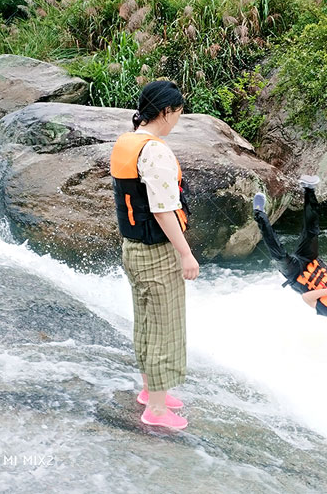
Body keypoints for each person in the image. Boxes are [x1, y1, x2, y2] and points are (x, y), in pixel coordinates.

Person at [110, 80, 199, 431]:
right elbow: (164, 211)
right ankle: (158, 410)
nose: (179, 119)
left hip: (132, 247)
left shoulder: (127, 141)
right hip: (157, 250)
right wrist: (186, 254)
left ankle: (150, 391)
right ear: (165, 111)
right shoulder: (156, 151)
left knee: (146, 321)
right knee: (165, 325)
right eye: (178, 112)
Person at [253, 176, 327, 318]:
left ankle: (259, 213)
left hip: (295, 275)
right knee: (312, 231)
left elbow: (306, 298)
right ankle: (309, 189)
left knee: (279, 255)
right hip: (310, 260)